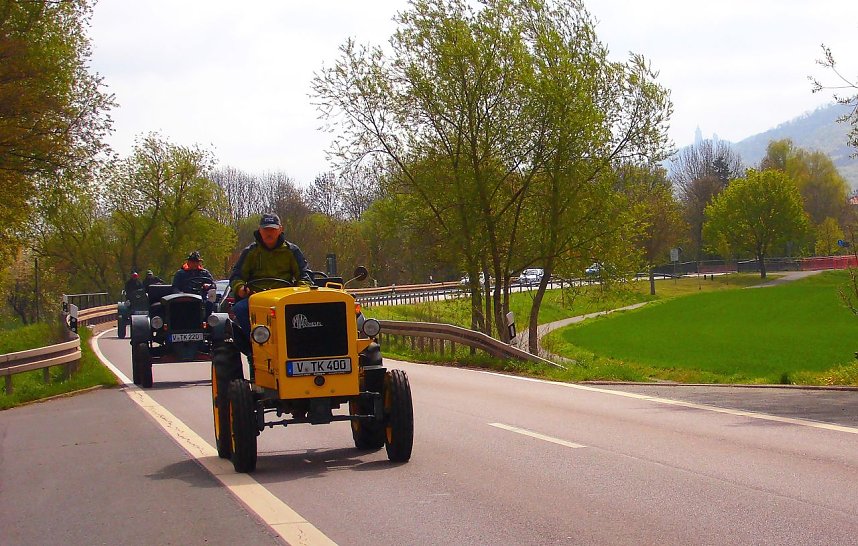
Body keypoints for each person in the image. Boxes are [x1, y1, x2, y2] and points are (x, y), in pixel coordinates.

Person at [229, 213, 309, 352]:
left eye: (272, 229)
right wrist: (240, 288)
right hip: (256, 298)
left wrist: (301, 290)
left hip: (285, 297)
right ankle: (255, 345)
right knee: (240, 309)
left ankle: (298, 346)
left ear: (280, 230)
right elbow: (236, 276)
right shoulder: (250, 252)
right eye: (266, 229)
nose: (269, 233)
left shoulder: (291, 251)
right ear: (260, 230)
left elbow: (304, 275)